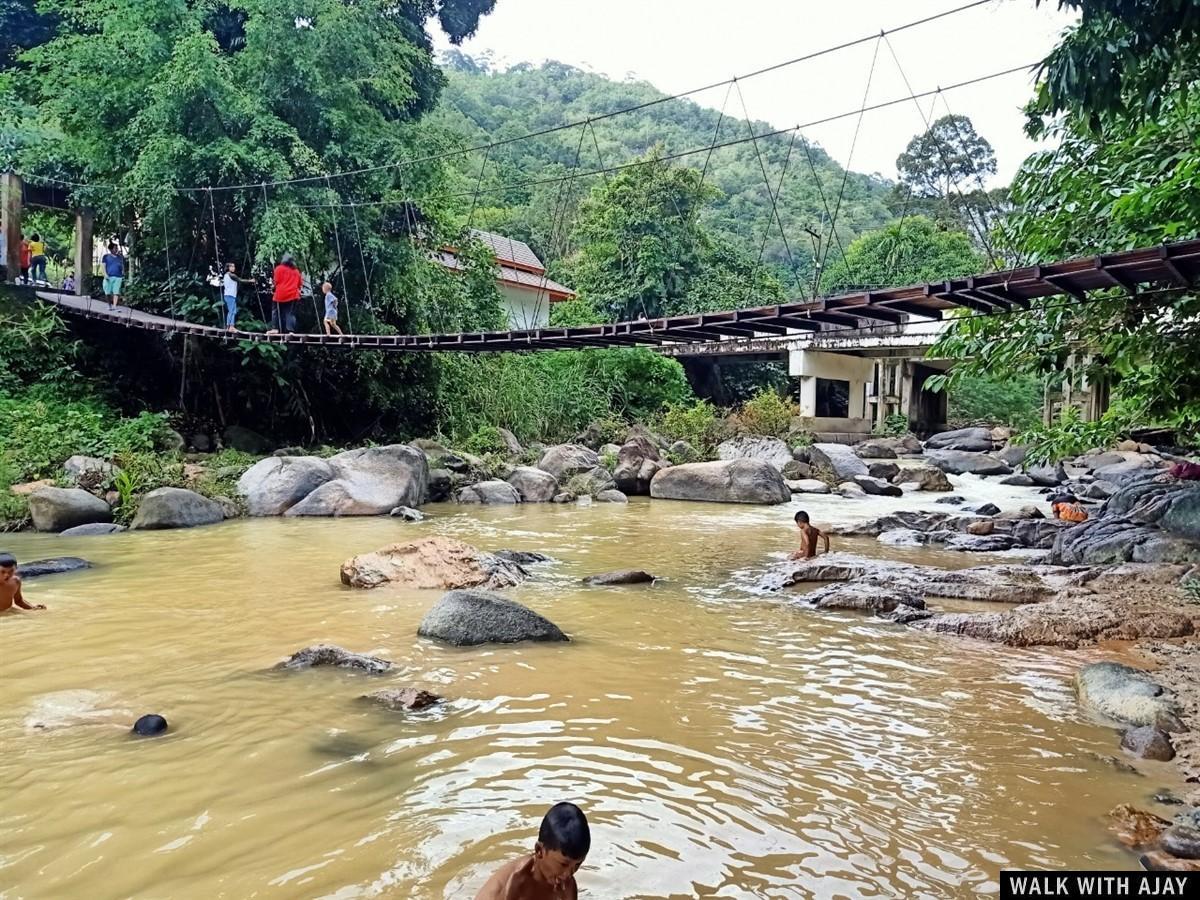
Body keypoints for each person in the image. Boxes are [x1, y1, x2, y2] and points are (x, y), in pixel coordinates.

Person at [474, 802, 590, 900]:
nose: (568, 874)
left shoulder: (567, 885)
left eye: (577, 864)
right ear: (539, 851)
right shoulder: (516, 884)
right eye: (563, 864)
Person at [269, 254, 302, 334]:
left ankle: (275, 329)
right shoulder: (296, 271)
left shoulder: (279, 269)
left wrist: (272, 287)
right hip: (293, 295)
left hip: (280, 294)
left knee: (275, 311)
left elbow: (276, 281)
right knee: (290, 313)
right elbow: (299, 284)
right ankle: (290, 330)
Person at [222, 262, 255, 332]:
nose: (233, 268)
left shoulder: (226, 275)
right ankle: (231, 327)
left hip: (229, 295)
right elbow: (240, 280)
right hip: (230, 295)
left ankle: (229, 326)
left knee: (232, 311)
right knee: (232, 311)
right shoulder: (231, 275)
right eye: (231, 267)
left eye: (234, 267)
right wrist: (250, 281)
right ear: (228, 268)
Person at [102, 242, 125, 307]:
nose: (116, 249)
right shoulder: (106, 257)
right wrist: (105, 274)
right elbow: (103, 266)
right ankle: (109, 305)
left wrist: (123, 271)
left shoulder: (120, 257)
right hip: (109, 276)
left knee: (116, 292)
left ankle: (114, 306)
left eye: (117, 248)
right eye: (115, 248)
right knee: (107, 292)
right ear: (111, 249)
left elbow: (122, 266)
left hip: (118, 276)